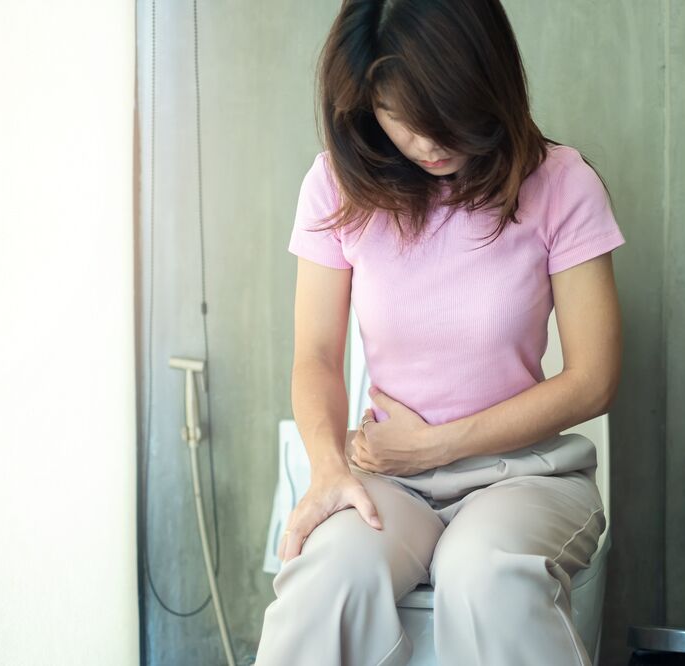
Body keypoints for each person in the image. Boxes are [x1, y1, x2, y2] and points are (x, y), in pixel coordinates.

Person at [255, 1, 624, 664]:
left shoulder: (562, 183)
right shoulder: (335, 186)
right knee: (324, 580)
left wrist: (431, 448)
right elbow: (314, 354)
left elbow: (593, 381)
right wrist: (329, 469)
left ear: (485, 80)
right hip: (388, 476)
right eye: (400, 116)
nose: (426, 142)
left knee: (485, 577)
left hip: (525, 474)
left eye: (439, 111)